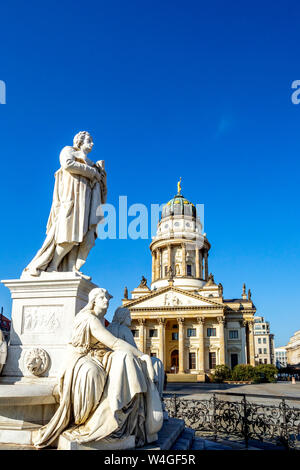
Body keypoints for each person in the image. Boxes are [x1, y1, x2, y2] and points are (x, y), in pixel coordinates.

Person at [33, 288, 163, 449]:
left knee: (124, 359)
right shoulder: (89, 319)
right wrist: (142, 356)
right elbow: (113, 343)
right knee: (107, 367)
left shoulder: (101, 320)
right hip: (81, 360)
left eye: (107, 298)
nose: (107, 301)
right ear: (93, 300)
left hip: (97, 356)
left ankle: (120, 414)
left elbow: (110, 345)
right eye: (103, 298)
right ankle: (109, 417)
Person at [23, 131, 106, 280]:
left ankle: (70, 267)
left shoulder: (92, 163)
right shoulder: (68, 151)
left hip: (86, 202)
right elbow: (67, 164)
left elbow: (101, 187)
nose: (92, 143)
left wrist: (101, 174)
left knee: (81, 236)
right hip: (72, 199)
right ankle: (53, 265)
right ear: (79, 141)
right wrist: (93, 172)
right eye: (89, 140)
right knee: (69, 233)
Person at [107, 307, 165, 397]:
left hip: (112, 362)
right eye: (129, 316)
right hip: (127, 362)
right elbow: (134, 351)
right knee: (157, 362)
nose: (130, 319)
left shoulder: (108, 328)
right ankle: (156, 397)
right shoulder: (124, 329)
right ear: (123, 317)